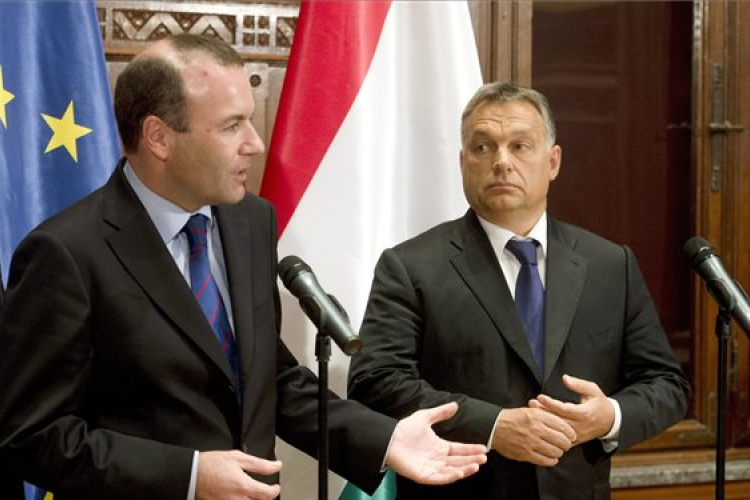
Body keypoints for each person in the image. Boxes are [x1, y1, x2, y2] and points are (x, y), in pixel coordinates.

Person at [0, 34, 488, 500]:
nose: (255, 143)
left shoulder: (250, 221)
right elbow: (32, 435)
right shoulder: (66, 252)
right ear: (159, 137)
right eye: (232, 125)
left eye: (250, 120)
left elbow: (267, 377)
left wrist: (385, 439)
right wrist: (189, 476)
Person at [347, 82, 690, 500]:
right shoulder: (411, 266)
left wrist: (609, 417)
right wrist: (494, 426)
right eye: (483, 147)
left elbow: (666, 385)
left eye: (520, 146)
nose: (501, 162)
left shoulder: (610, 265)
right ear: (463, 163)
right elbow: (375, 382)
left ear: (553, 161)